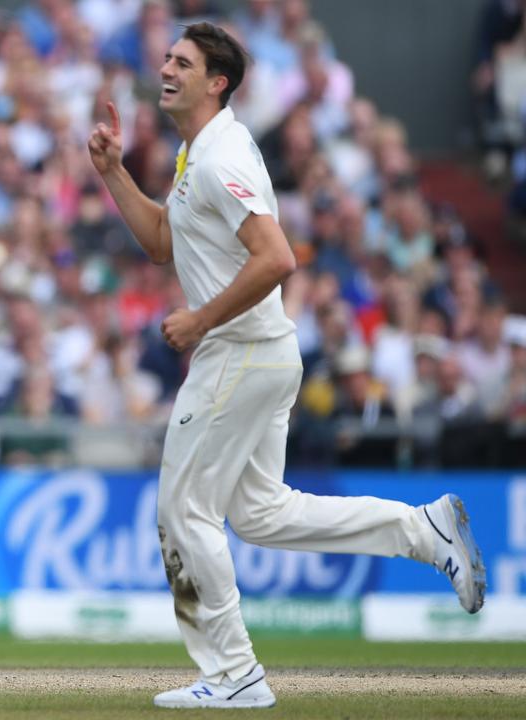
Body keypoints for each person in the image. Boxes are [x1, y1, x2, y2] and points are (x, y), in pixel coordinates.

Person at [87, 23, 485, 710]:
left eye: (183, 62)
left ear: (218, 82)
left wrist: (200, 318)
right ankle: (423, 530)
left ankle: (236, 675)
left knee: (183, 512)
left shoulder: (220, 159)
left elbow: (278, 258)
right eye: (167, 58)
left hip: (238, 353)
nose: (167, 68)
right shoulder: (196, 153)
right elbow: (160, 243)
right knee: (263, 514)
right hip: (259, 353)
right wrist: (113, 173)